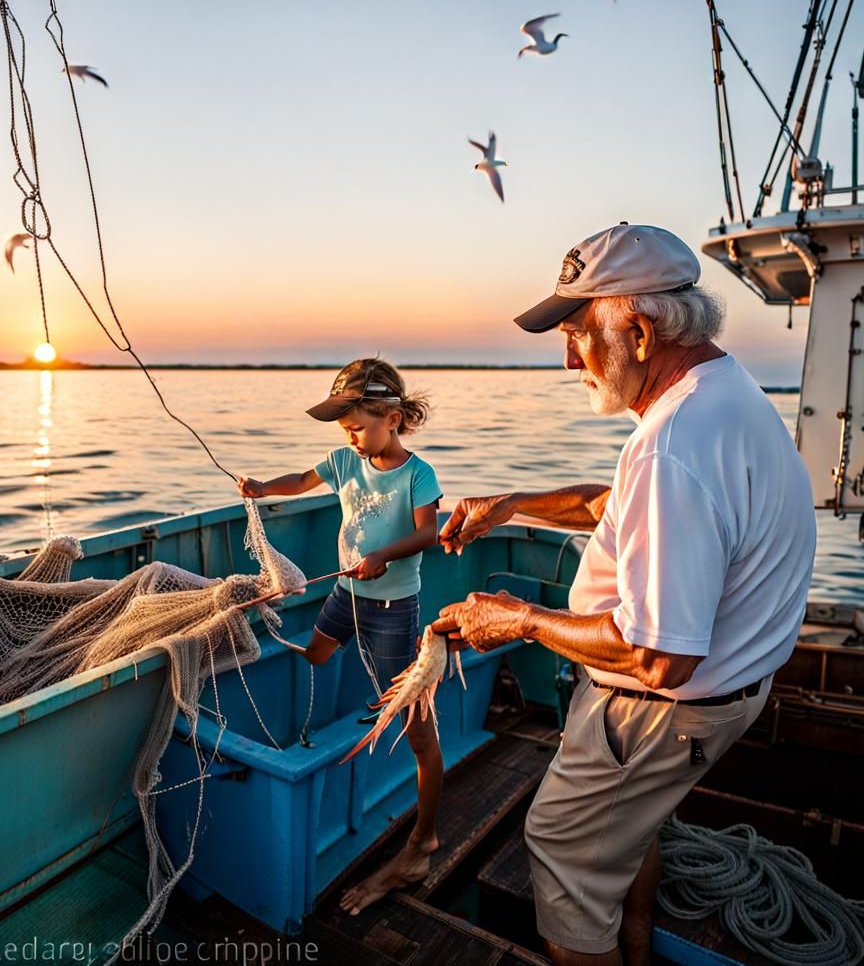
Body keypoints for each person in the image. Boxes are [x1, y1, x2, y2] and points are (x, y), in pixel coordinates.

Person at [431, 223, 816, 966]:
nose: (567, 357)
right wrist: (512, 504)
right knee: (629, 834)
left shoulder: (676, 444)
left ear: (638, 333)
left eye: (578, 332)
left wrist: (517, 620)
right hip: (717, 701)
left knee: (564, 856)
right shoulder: (720, 394)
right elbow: (622, 506)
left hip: (657, 710)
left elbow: (659, 654)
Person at [237, 356, 445, 914]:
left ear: (393, 417)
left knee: (412, 723)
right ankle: (323, 724)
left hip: (393, 609)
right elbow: (302, 482)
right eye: (343, 428)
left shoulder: (417, 474)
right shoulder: (342, 459)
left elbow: (429, 532)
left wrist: (382, 555)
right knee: (316, 654)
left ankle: (425, 834)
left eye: (358, 425)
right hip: (344, 595)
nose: (349, 437)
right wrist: (260, 487)